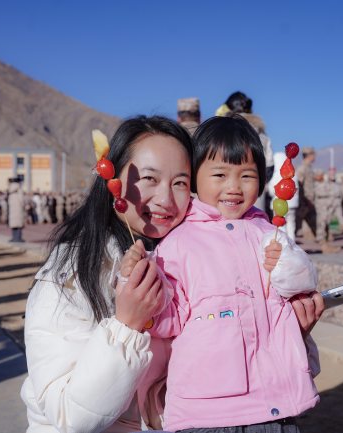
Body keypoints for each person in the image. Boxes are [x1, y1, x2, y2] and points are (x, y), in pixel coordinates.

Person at [21, 116, 323, 433]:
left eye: (179, 183)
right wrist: (127, 324)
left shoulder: (185, 250)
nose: (166, 199)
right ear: (112, 179)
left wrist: (294, 330)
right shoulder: (68, 277)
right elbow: (71, 419)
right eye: (149, 179)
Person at [121, 116, 323, 432]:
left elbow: (301, 286)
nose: (233, 187)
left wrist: (288, 265)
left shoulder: (268, 232)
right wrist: (136, 280)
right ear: (195, 179)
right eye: (219, 174)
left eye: (247, 175)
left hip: (277, 405)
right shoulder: (178, 242)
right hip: (208, 413)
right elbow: (167, 320)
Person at [314, 169, 341, 253]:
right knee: (321, 226)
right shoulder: (315, 185)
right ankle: (323, 246)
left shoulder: (326, 184)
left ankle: (327, 245)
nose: (320, 176)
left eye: (321, 174)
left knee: (326, 226)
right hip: (321, 208)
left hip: (327, 208)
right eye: (319, 175)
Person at [296, 146, 317, 240]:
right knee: (295, 226)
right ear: (309, 155)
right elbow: (298, 186)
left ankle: (324, 245)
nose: (315, 157)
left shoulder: (310, 168)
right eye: (313, 154)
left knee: (316, 224)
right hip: (305, 202)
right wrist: (303, 201)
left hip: (310, 202)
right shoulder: (302, 169)